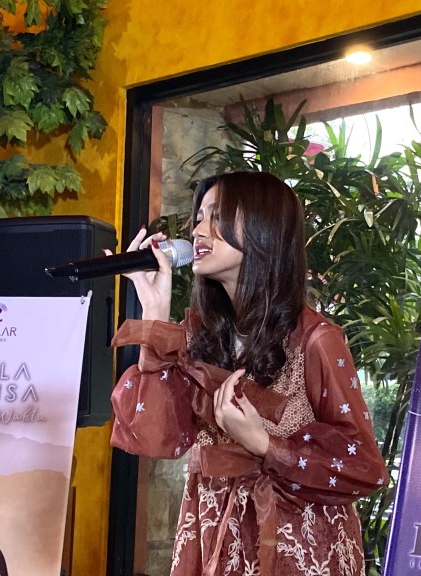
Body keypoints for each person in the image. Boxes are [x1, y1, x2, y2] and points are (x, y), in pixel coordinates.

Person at [109, 171, 388, 576]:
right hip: (214, 540)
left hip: (295, 551)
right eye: (199, 218)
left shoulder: (315, 340)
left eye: (217, 217)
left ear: (264, 228)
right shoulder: (198, 334)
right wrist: (154, 313)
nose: (198, 231)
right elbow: (154, 436)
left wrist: (265, 444)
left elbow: (365, 466)